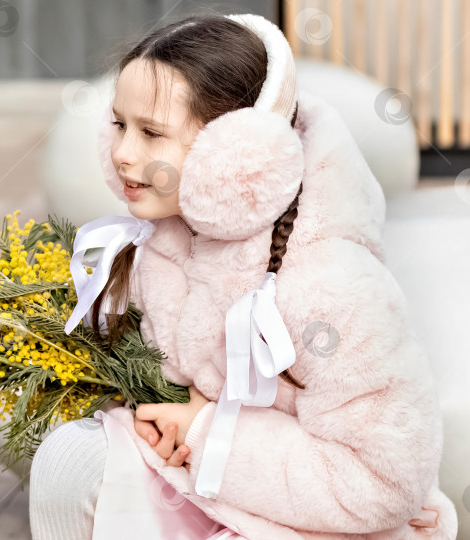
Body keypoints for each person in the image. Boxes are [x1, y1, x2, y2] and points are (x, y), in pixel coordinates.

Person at [29, 11, 458, 540]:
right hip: (208, 489)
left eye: (151, 133)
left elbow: (384, 483)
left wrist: (207, 434)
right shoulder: (163, 240)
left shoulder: (329, 285)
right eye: (119, 125)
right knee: (72, 461)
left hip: (328, 517)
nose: (121, 153)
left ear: (235, 157)